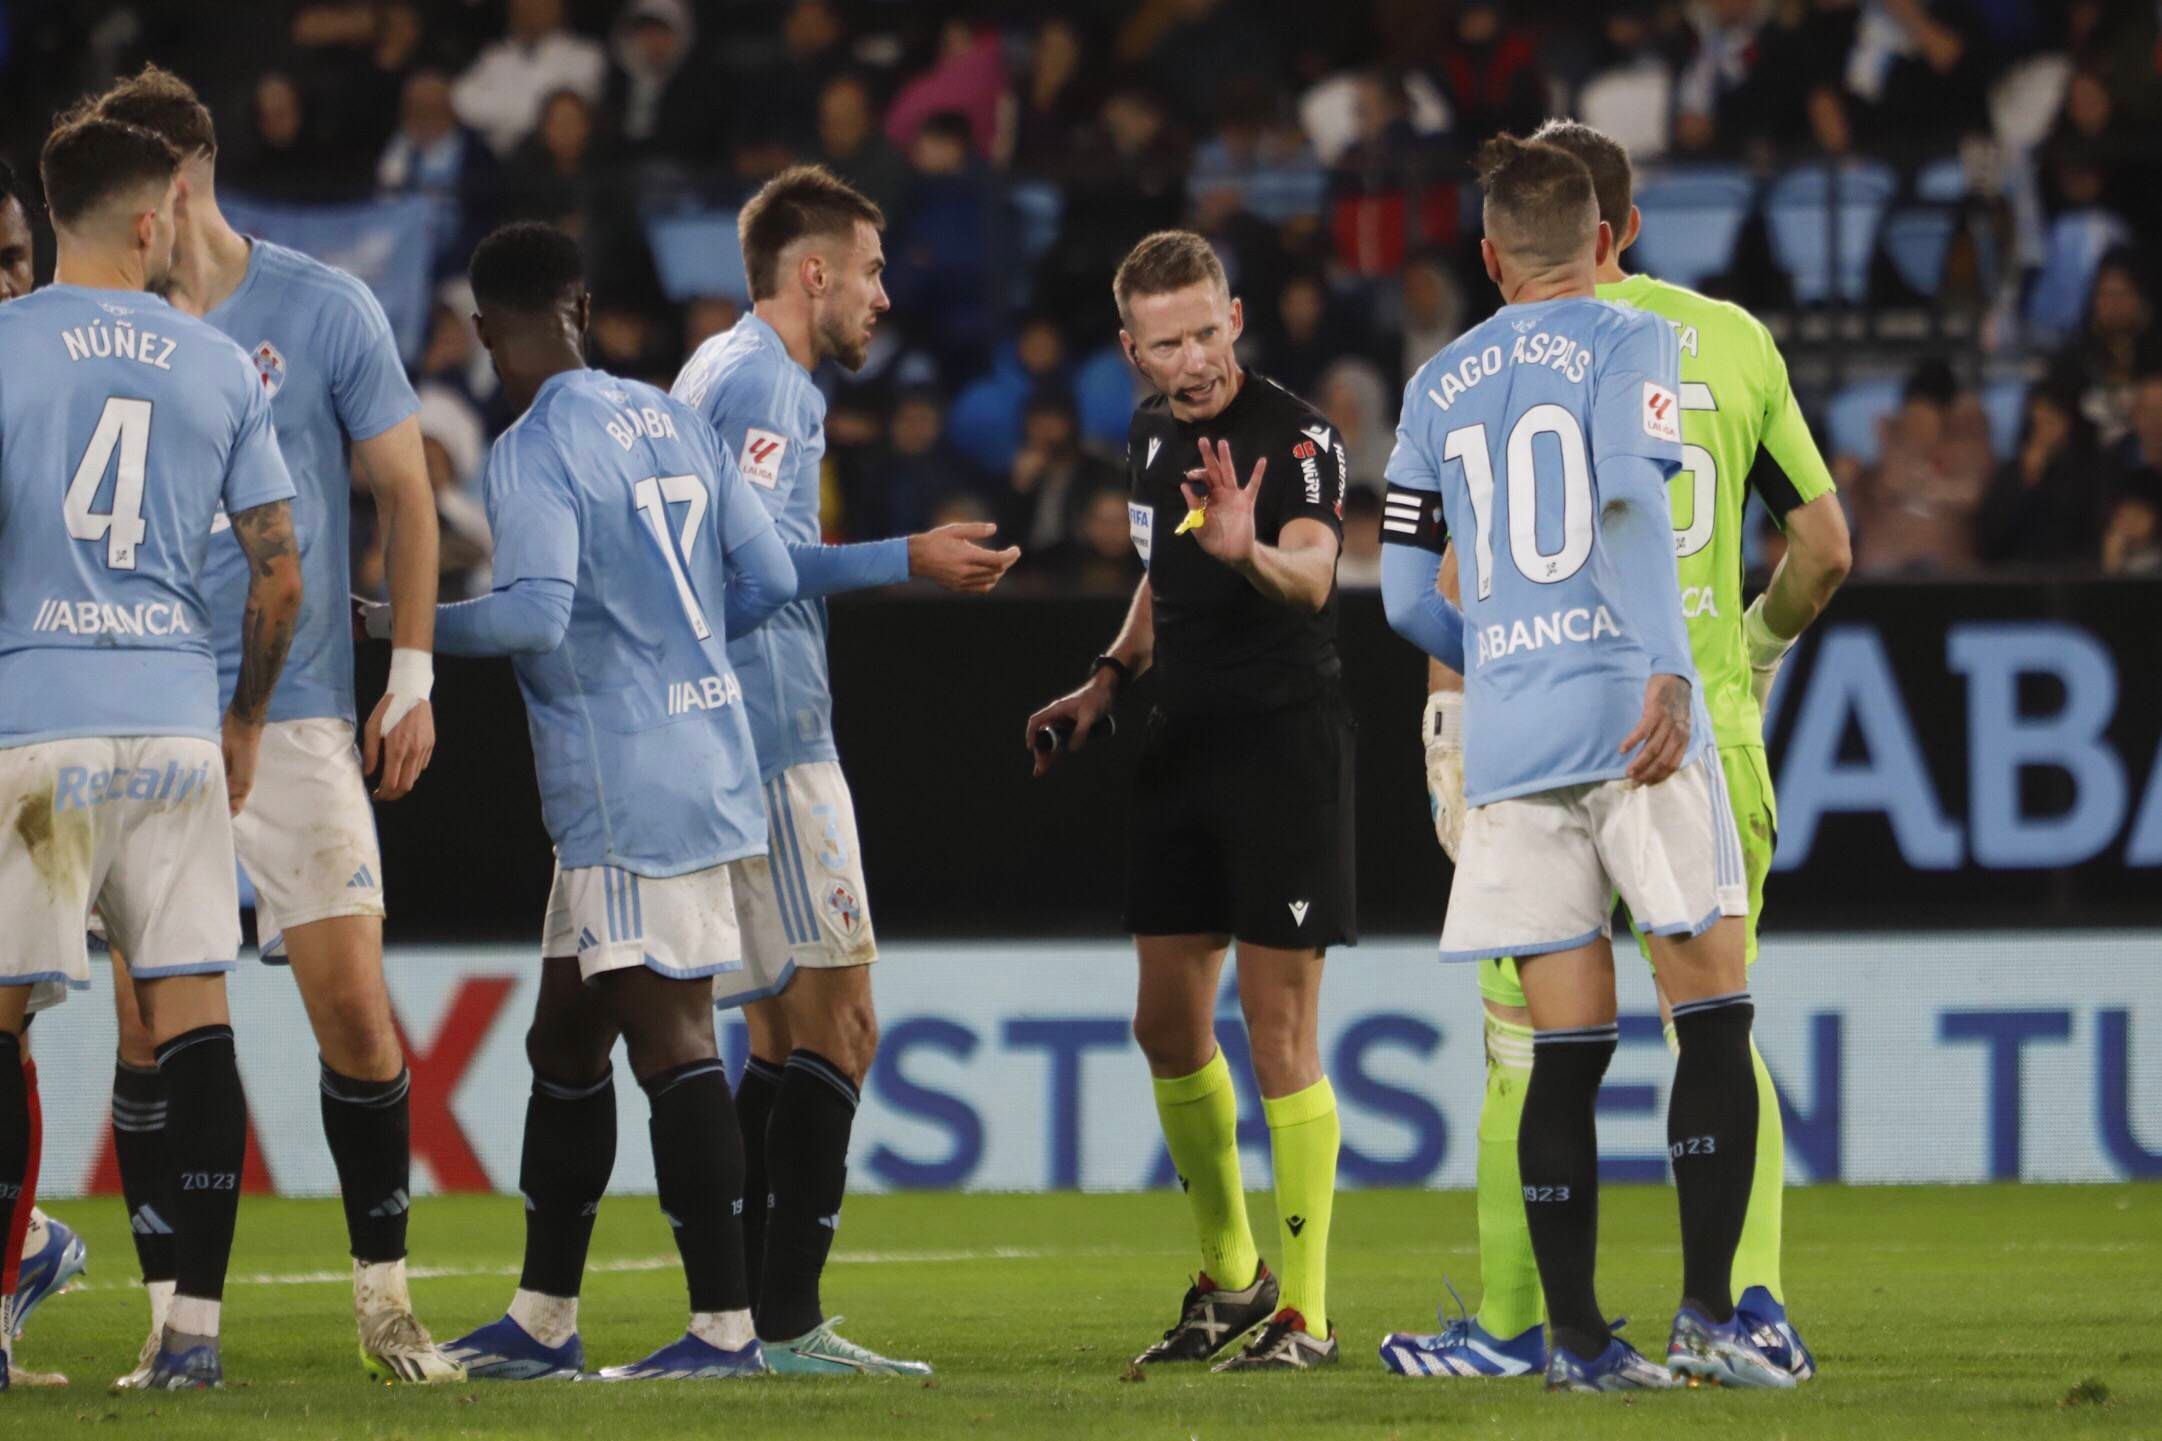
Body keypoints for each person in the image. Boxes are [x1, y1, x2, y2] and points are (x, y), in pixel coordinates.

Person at [1382, 118, 1850, 1386]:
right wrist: (1695, 659)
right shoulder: (1681, 337)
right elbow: (1772, 534)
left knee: (1543, 1051)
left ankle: (1552, 1332)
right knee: (1713, 1015)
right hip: (1662, 719)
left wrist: (1480, 674)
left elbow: (1401, 591)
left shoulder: (1440, 379)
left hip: (1511, 735)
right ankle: (1725, 1308)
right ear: (1613, 232)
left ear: (1488, 254)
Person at [92, 65, 456, 1385]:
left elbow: (405, 494)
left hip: (295, 714)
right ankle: (174, 1317)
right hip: (149, 708)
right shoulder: (104, 326)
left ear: (181, 178)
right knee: (149, 1028)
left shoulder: (321, 304)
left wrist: (408, 675)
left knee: (354, 1011)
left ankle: (386, 1303)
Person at [426, 222, 795, 1382]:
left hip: (625, 780)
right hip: (702, 756)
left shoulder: (533, 444)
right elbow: (773, 574)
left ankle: (724, 1333)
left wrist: (403, 630)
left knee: (673, 1042)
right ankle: (542, 1320)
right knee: (565, 1035)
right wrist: (676, 648)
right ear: (582, 304)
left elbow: (533, 613)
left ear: (486, 331)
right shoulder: (671, 412)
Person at [671, 164, 1018, 1376]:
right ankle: (788, 1323)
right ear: (810, 271)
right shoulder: (772, 381)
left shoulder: (709, 368)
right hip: (776, 738)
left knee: (776, 1039)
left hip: (720, 733)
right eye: (868, 272)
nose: (881, 297)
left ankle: (743, 1323)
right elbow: (759, 572)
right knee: (847, 1023)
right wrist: (905, 557)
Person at [0, 114, 302, 1390]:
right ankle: (190, 1337)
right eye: (178, 208)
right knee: (192, 1023)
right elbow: (279, 577)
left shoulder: (5, 347)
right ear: (148, 218)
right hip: (176, 733)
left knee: (5, 1018)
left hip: (39, 735)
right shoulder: (220, 365)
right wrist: (242, 721)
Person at [1025, 229, 1352, 1373]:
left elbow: (1313, 576)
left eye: (1207, 331)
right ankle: (1231, 1276)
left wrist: (1246, 548)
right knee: (1164, 1025)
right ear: (1132, 350)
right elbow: (1161, 587)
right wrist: (1104, 679)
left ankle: (1304, 1314)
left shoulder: (1297, 436)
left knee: (1277, 1035)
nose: (1194, 358)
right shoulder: (1149, 436)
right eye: (1167, 342)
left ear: (1236, 317)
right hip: (1180, 746)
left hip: (1281, 751)